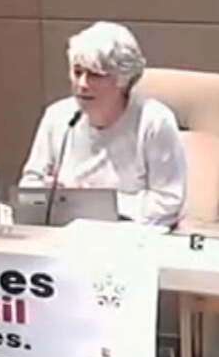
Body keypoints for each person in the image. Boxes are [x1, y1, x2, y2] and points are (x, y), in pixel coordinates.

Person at [20, 21, 186, 227]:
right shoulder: (58, 116)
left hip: (130, 238)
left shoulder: (154, 122)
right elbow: (27, 193)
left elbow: (168, 202)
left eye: (95, 75)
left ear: (122, 79)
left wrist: (91, 203)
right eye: (77, 72)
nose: (82, 84)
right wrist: (46, 194)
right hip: (64, 234)